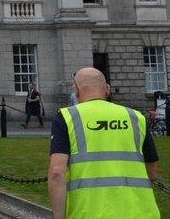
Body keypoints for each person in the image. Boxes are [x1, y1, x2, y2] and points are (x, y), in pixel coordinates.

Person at [48, 67, 160, 219]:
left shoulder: (67, 117)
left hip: (88, 212)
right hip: (140, 211)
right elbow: (152, 172)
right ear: (107, 88)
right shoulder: (135, 117)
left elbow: (57, 172)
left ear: (76, 89)